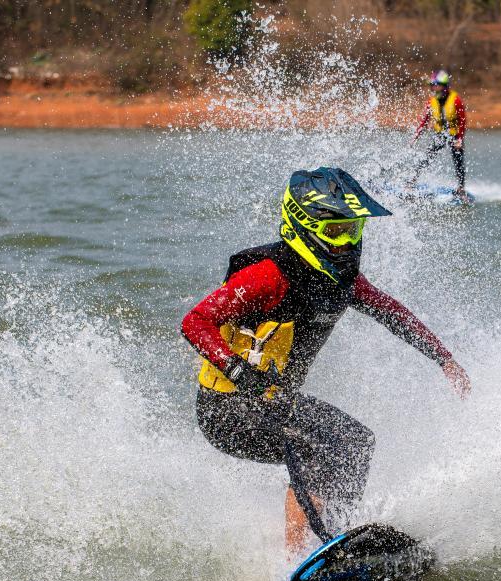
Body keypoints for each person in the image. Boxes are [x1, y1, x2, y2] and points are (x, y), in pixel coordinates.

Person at [181, 167, 471, 554]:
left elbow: (392, 312)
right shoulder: (267, 277)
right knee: (321, 447)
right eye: (336, 232)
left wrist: (444, 359)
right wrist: (237, 369)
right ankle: (297, 558)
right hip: (229, 411)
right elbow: (195, 321)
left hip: (273, 404)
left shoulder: (342, 282)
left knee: (356, 442)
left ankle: (337, 538)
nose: (347, 243)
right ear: (303, 226)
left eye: (353, 231)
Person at [409, 70, 469, 200]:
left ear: (445, 86)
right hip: (440, 135)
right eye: (433, 85)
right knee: (427, 156)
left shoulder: (456, 99)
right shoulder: (431, 101)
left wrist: (459, 139)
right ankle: (411, 182)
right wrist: (416, 135)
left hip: (454, 136)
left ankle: (461, 188)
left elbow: (463, 120)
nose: (435, 87)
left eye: (438, 85)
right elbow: (425, 120)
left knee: (458, 160)